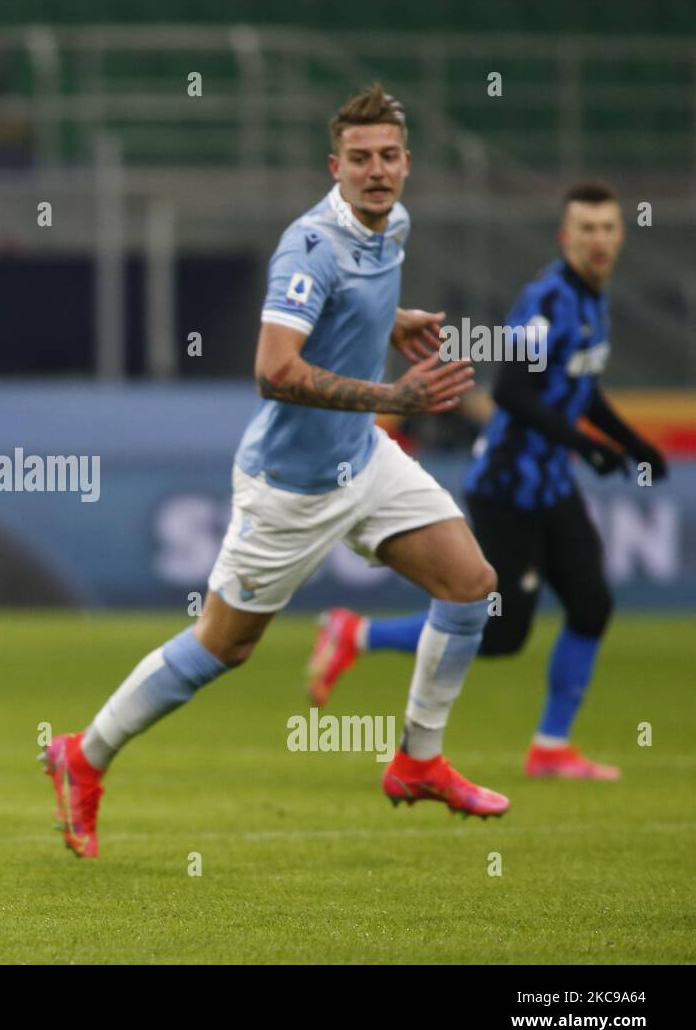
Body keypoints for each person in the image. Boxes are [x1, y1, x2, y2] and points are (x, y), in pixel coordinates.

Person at [44, 84, 508, 859]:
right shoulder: (308, 245)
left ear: (406, 163)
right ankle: (82, 756)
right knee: (221, 647)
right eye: (359, 159)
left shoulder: (394, 224)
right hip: (290, 487)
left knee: (470, 584)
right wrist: (395, 393)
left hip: (363, 458)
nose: (376, 171)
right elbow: (273, 368)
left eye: (389, 156)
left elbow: (347, 307)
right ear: (336, 166)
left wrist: (391, 323)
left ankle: (417, 759)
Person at [309, 181, 667, 781]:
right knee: (501, 633)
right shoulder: (547, 300)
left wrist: (633, 445)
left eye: (607, 228)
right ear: (566, 236)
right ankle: (358, 632)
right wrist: (590, 446)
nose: (598, 240)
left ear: (620, 235)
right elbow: (512, 391)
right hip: (507, 487)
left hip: (552, 484)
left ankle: (551, 747)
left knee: (592, 604)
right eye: (586, 229)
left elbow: (580, 386)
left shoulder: (593, 301)